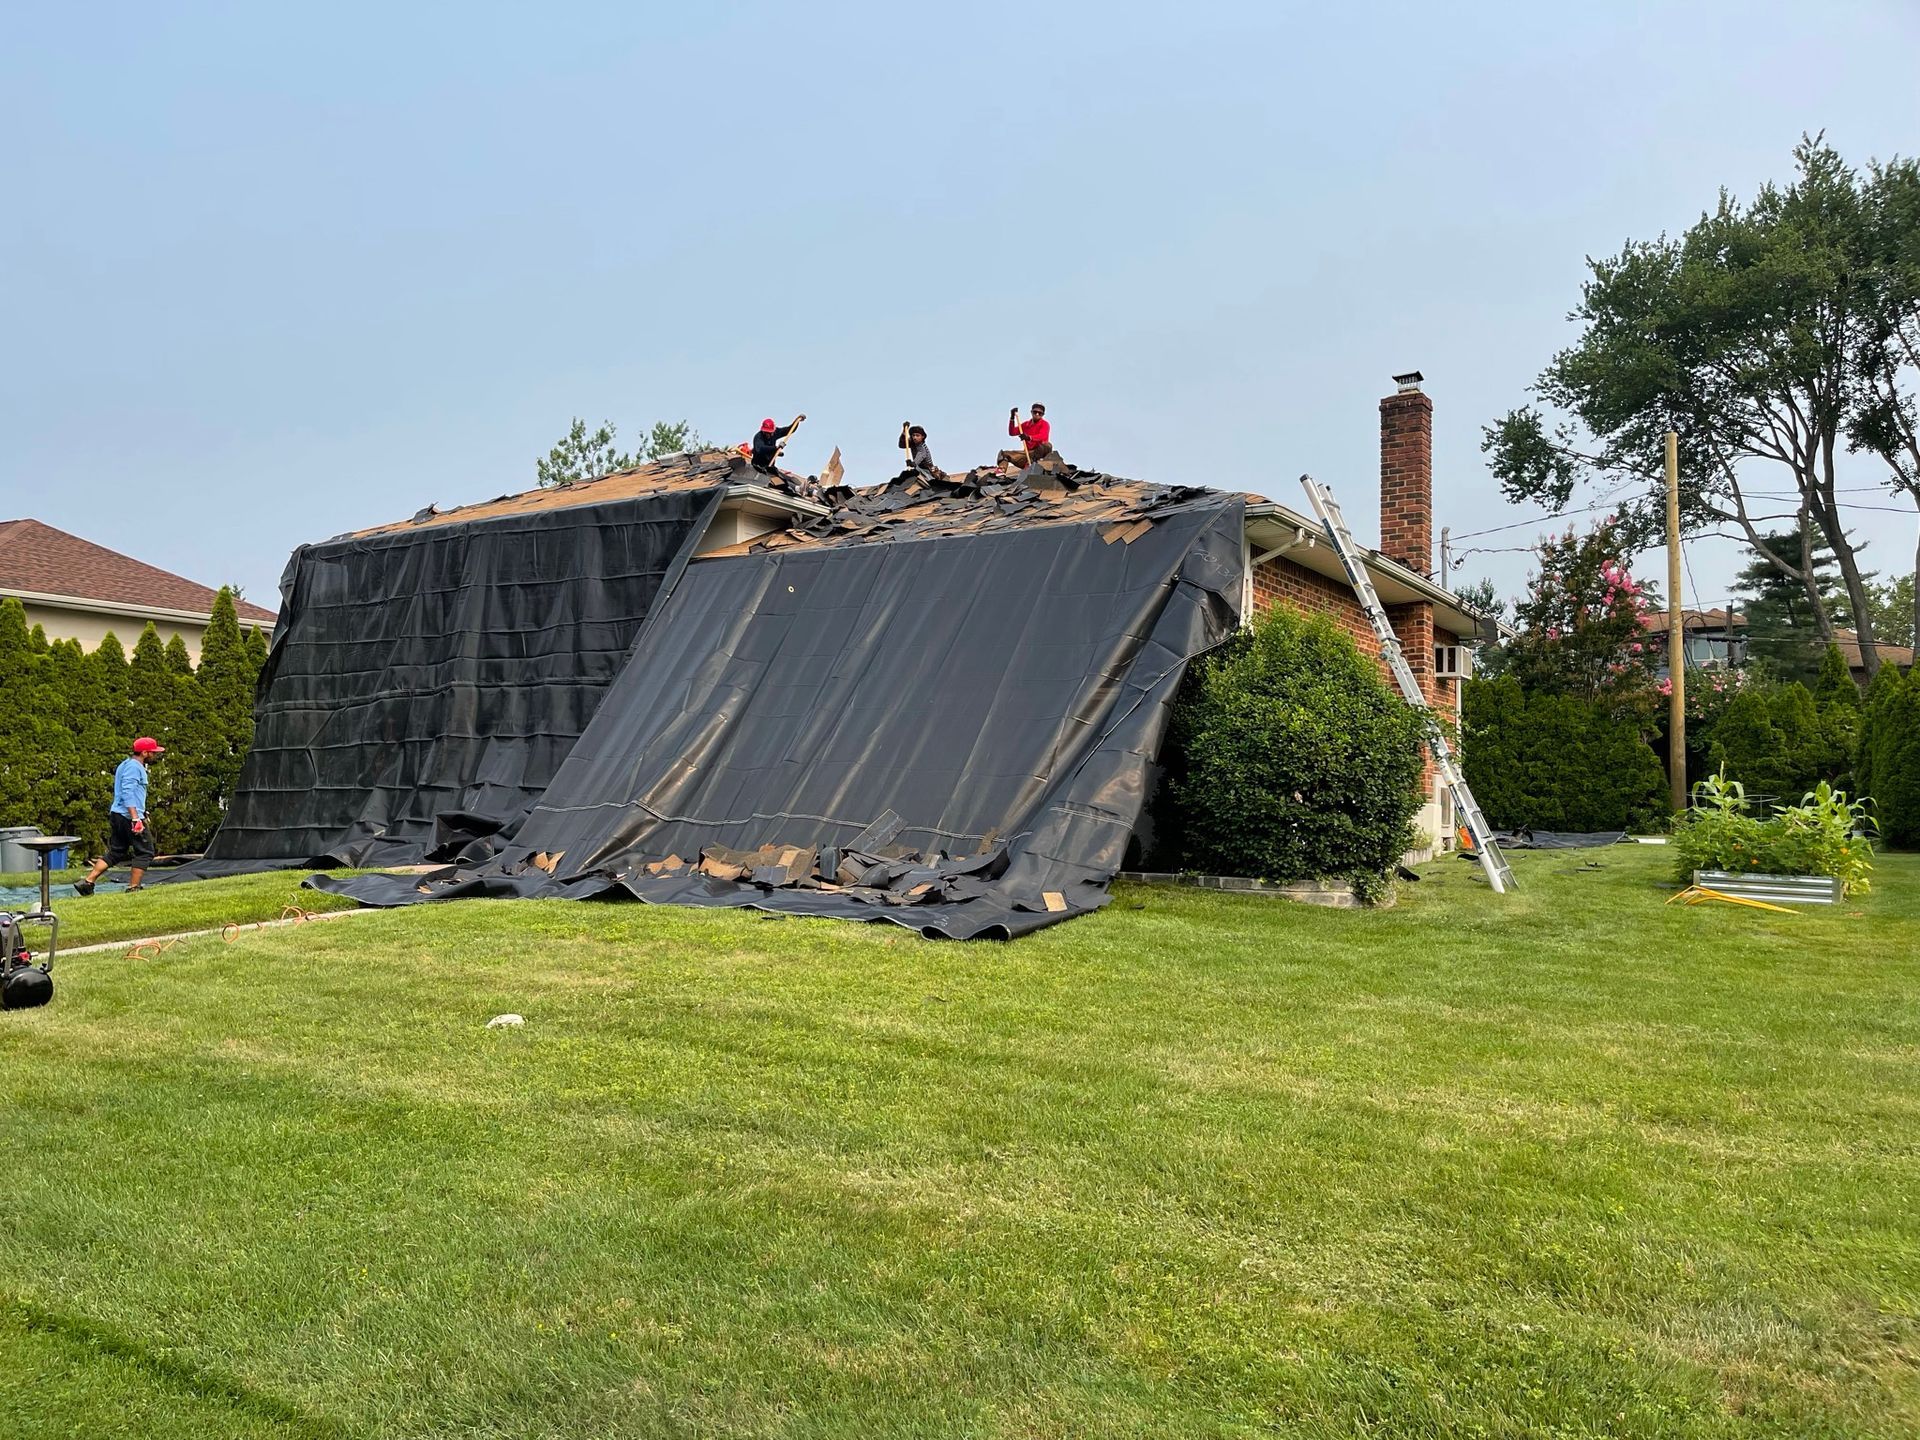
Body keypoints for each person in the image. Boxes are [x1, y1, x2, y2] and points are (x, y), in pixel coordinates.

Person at [74, 736, 165, 895]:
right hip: (128, 816)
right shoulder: (134, 767)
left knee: (117, 851)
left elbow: (131, 793)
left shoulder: (125, 764)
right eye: (153, 752)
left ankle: (87, 883)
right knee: (145, 851)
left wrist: (141, 810)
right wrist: (136, 818)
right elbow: (127, 792)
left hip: (118, 814)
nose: (155, 755)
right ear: (144, 752)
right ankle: (133, 888)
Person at [997, 403, 1053, 467]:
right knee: (1004, 454)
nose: (1037, 414)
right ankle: (1001, 471)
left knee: (1047, 445)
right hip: (1028, 454)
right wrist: (1012, 417)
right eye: (1035, 412)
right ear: (1031, 412)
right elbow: (1012, 432)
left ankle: (1034, 462)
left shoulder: (1045, 424)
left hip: (1039, 453)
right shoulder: (1026, 425)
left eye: (1040, 413)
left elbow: (1043, 436)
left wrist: (1029, 437)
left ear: (1043, 414)